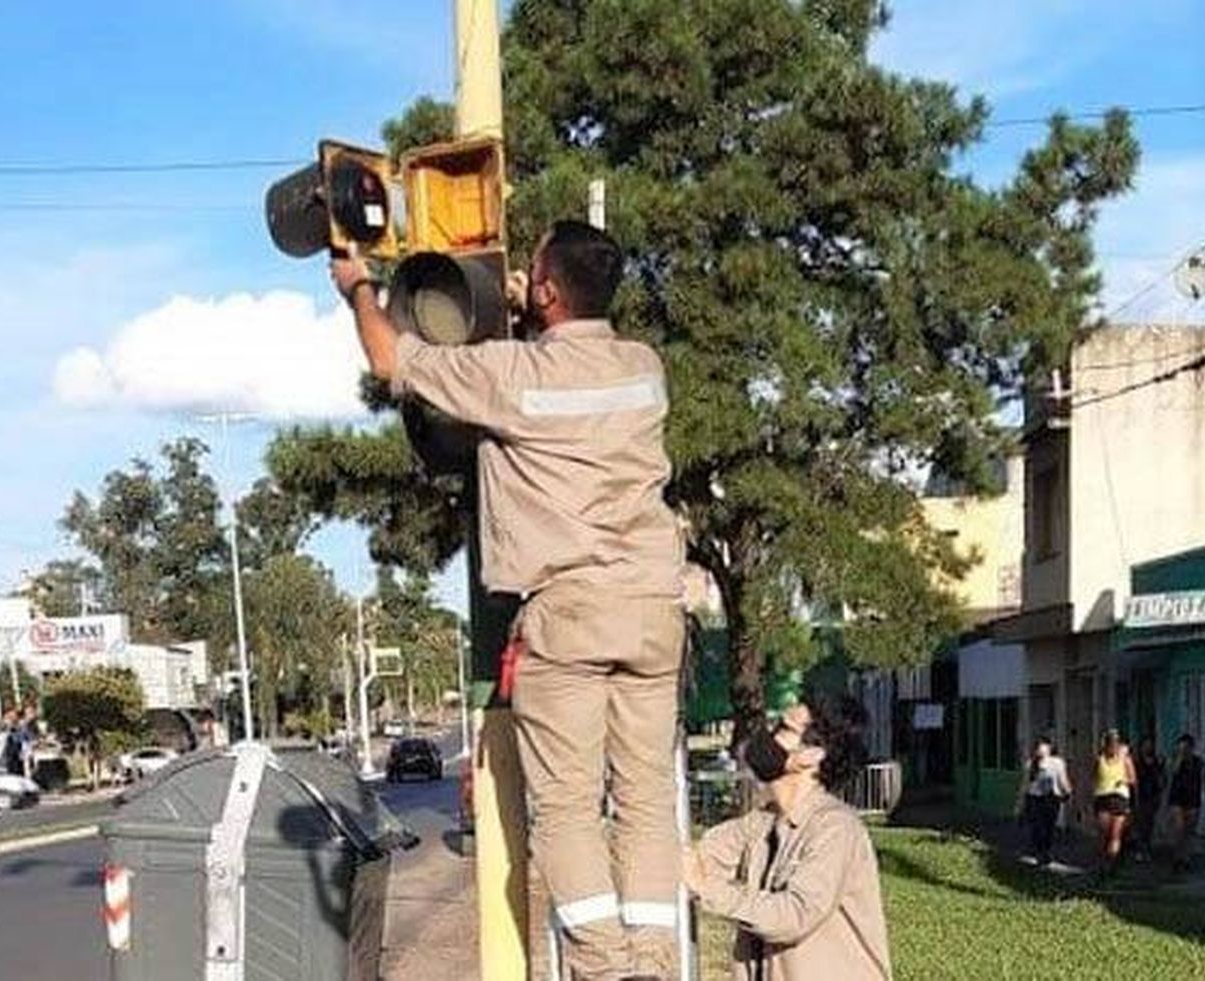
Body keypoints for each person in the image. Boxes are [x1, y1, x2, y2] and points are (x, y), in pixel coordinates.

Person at [331, 221, 685, 980]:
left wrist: (358, 286)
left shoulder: (511, 377)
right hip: (656, 606)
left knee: (565, 806)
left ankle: (604, 966)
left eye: (531, 274)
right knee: (647, 798)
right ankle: (655, 960)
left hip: (571, 609)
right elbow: (571, 364)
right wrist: (535, 312)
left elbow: (392, 357)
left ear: (549, 288)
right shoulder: (644, 369)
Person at [684, 693, 891, 981]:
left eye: (783, 729)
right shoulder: (763, 822)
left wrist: (709, 888)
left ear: (812, 755)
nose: (767, 739)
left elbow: (793, 916)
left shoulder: (836, 829)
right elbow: (699, 857)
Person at [1018, 736, 1071, 866]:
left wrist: (1068, 791)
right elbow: (1025, 785)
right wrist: (1020, 804)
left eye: (1043, 747)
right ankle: (1039, 852)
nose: (1040, 750)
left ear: (1049, 748)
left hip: (1051, 798)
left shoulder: (1057, 762)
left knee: (1049, 827)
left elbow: (1062, 779)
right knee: (1037, 828)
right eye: (1038, 748)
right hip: (1034, 799)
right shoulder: (1030, 764)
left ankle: (1045, 852)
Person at [1091, 728, 1137, 876]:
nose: (1113, 747)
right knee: (1107, 834)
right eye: (1111, 743)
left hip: (1116, 798)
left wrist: (1122, 781)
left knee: (1112, 835)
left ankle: (1109, 865)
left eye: (1114, 744)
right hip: (1107, 798)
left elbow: (1132, 779)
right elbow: (1094, 778)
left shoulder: (1123, 759)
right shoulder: (1101, 759)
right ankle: (1106, 864)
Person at [1168, 733, 1205, 872]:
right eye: (1181, 747)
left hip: (1193, 798)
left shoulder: (1199, 762)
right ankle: (1177, 857)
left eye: (1187, 747)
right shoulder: (1176, 759)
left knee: (1189, 830)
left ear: (1192, 748)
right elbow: (1172, 772)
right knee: (1178, 828)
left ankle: (1186, 857)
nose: (1184, 750)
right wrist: (1179, 758)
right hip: (1177, 798)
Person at [1131, 737, 1164, 862]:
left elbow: (1160, 777)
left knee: (1149, 823)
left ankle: (1147, 848)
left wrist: (1160, 792)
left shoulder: (1156, 761)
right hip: (1140, 795)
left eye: (1150, 745)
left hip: (1153, 795)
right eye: (1146, 745)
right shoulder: (1137, 762)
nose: (1148, 748)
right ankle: (1140, 849)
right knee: (1140, 824)